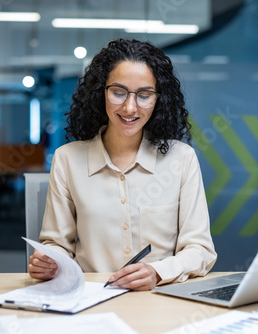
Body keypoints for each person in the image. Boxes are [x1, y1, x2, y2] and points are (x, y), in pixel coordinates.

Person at [27, 39, 217, 291]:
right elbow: (56, 244)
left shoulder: (181, 159)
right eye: (118, 92)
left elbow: (200, 249)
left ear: (159, 100)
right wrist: (49, 261)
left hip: (159, 302)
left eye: (144, 95)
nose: (130, 107)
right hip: (89, 301)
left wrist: (157, 272)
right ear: (100, 92)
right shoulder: (67, 159)